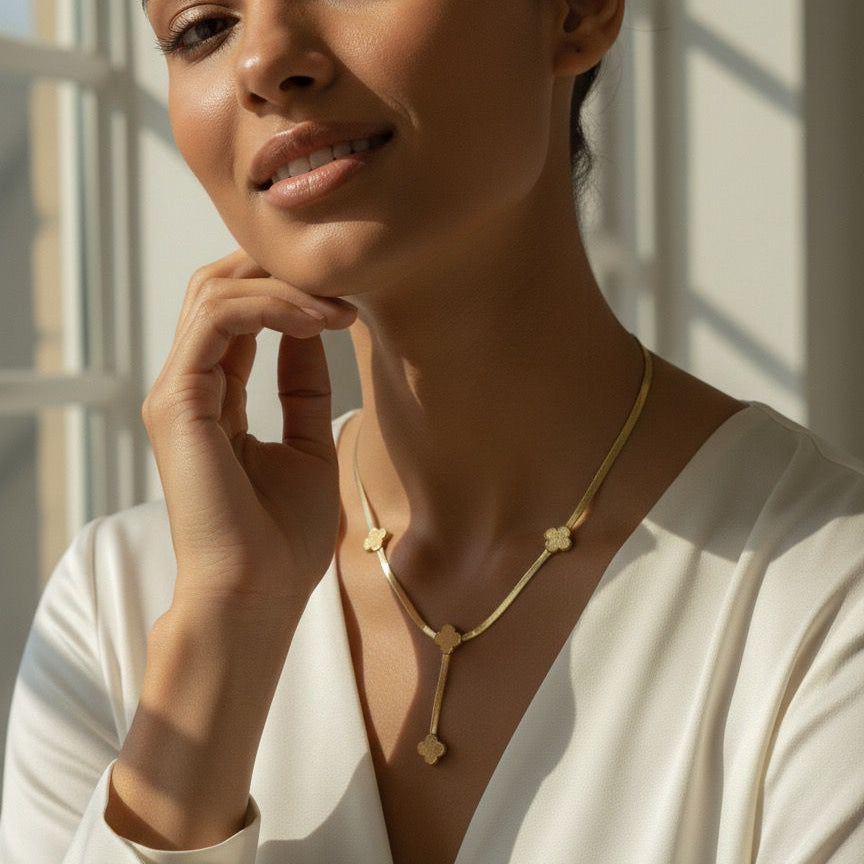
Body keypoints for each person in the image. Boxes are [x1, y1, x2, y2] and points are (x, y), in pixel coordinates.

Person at [1, 0, 863, 861]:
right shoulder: (118, 607)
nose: (264, 61)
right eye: (203, 27)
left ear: (577, 15)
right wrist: (225, 640)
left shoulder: (826, 597)